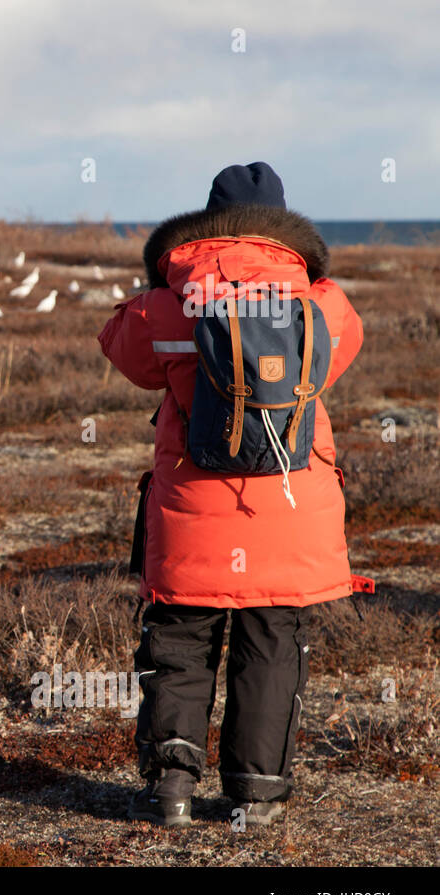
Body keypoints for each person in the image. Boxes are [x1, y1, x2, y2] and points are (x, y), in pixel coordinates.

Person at [97, 162, 364, 827]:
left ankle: (173, 789)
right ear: (282, 226)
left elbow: (121, 348)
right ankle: (257, 794)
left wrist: (157, 285)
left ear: (207, 219)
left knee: (180, 643)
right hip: (290, 508)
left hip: (193, 507)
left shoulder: (172, 299)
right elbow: (343, 346)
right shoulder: (320, 300)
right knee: (272, 645)